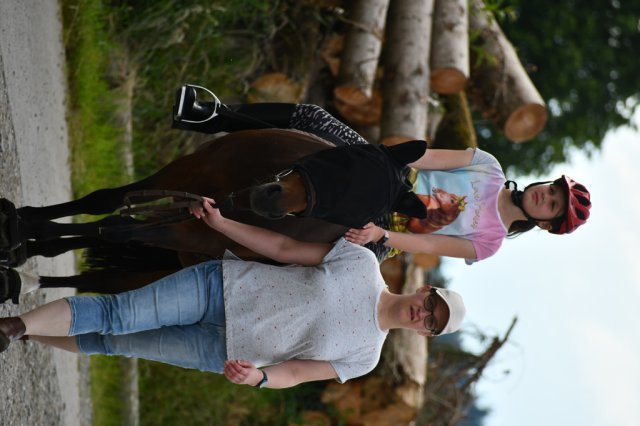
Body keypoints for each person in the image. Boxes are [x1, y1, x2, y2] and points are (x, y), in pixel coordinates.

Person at [0, 197, 466, 389]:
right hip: (220, 289)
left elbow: (297, 372)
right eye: (432, 304)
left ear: (425, 335)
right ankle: (14, 325)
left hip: (222, 351)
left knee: (113, 343)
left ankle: (26, 333)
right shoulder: (362, 263)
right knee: (118, 314)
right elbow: (284, 247)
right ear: (424, 289)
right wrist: (222, 224)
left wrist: (259, 379)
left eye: (432, 323)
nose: (423, 314)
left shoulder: (365, 357)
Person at [172, 85, 592, 264]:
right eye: (552, 190)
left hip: (390, 226)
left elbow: (430, 243)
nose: (545, 196)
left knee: (319, 261)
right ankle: (215, 115)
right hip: (392, 174)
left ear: (545, 223)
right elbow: (427, 158)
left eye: (552, 205)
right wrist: (384, 159)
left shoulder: (489, 242)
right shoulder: (489, 166)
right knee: (316, 117)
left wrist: (381, 235)